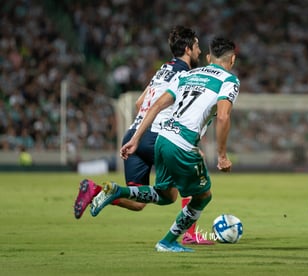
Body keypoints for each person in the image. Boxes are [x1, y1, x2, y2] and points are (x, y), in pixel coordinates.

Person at [89, 36, 239, 252]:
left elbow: (156, 105)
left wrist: (135, 138)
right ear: (232, 59)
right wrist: (222, 156)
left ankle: (118, 191)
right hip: (183, 143)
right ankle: (167, 241)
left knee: (167, 195)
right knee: (203, 196)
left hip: (162, 137)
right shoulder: (229, 80)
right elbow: (223, 117)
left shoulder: (189, 74)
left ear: (208, 57)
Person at [74, 25, 211, 244]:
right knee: (191, 167)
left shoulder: (162, 71)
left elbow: (140, 103)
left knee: (140, 201)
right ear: (187, 48)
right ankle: (189, 234)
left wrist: (140, 134)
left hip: (133, 134)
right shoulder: (187, 75)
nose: (199, 51)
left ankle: (98, 190)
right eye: (196, 47)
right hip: (155, 136)